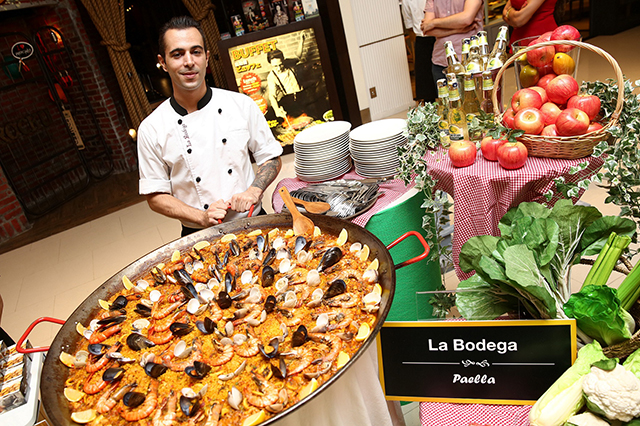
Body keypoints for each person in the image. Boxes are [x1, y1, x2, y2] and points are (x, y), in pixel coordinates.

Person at [137, 16, 283, 237]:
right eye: (178, 54)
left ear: (206, 57)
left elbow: (271, 157)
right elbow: (156, 196)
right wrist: (201, 217)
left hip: (255, 221)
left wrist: (255, 190)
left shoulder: (240, 104)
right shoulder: (151, 128)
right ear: (163, 62)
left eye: (196, 52)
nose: (189, 61)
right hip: (198, 235)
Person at [420, 0, 484, 84]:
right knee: (445, 97)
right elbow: (427, 30)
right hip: (441, 61)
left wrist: (434, 22)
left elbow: (466, 18)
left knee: (474, 96)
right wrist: (459, 29)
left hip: (470, 60)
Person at [402, 0, 437, 103]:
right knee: (425, 81)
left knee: (444, 73)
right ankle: (430, 111)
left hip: (440, 36)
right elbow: (409, 26)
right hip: (421, 39)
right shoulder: (406, 1)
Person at [267, 33, 306, 121]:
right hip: (289, 101)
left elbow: (298, 56)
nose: (278, 68)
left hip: (303, 95)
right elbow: (272, 95)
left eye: (280, 65)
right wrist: (276, 110)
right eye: (275, 66)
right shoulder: (271, 76)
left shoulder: (288, 62)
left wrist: (301, 40)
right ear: (271, 64)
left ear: (283, 60)